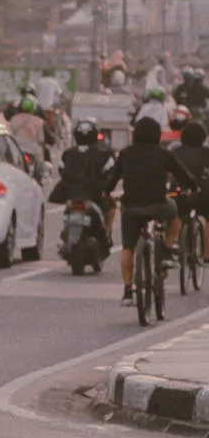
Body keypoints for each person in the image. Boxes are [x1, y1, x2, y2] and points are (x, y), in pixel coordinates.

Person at [103, 117, 199, 305]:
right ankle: (169, 248)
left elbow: (113, 179)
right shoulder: (164, 155)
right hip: (158, 205)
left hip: (130, 207)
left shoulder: (125, 154)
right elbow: (183, 174)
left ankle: (128, 291)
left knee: (128, 247)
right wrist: (194, 188)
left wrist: (107, 193)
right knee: (174, 214)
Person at [55, 119, 117, 246]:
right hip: (95, 194)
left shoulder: (67, 153)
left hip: (70, 194)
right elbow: (111, 171)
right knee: (111, 206)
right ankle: (106, 233)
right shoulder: (104, 153)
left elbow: (61, 170)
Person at [172, 121, 209, 259]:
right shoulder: (207, 153)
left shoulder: (175, 152)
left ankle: (175, 243)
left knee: (176, 215)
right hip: (204, 195)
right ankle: (206, 255)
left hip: (179, 193)